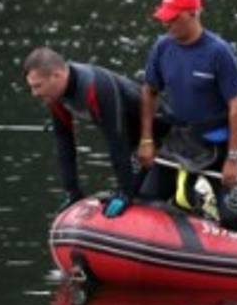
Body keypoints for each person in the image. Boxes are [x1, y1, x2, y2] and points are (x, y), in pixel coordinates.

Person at [137, 0, 237, 211]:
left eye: (173, 18)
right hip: (179, 141)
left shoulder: (219, 52)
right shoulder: (162, 47)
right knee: (147, 201)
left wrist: (233, 159)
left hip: (216, 145)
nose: (166, 23)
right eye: (164, 18)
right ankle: (191, 200)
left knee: (235, 218)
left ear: (193, 14)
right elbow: (149, 91)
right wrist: (146, 140)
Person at [23, 47, 166, 219]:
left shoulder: (97, 86)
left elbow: (117, 139)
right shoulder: (55, 95)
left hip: (161, 136)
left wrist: (125, 192)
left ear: (57, 75)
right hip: (134, 142)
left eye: (37, 86)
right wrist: (72, 191)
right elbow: (64, 143)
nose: (34, 93)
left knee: (145, 196)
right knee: (132, 189)